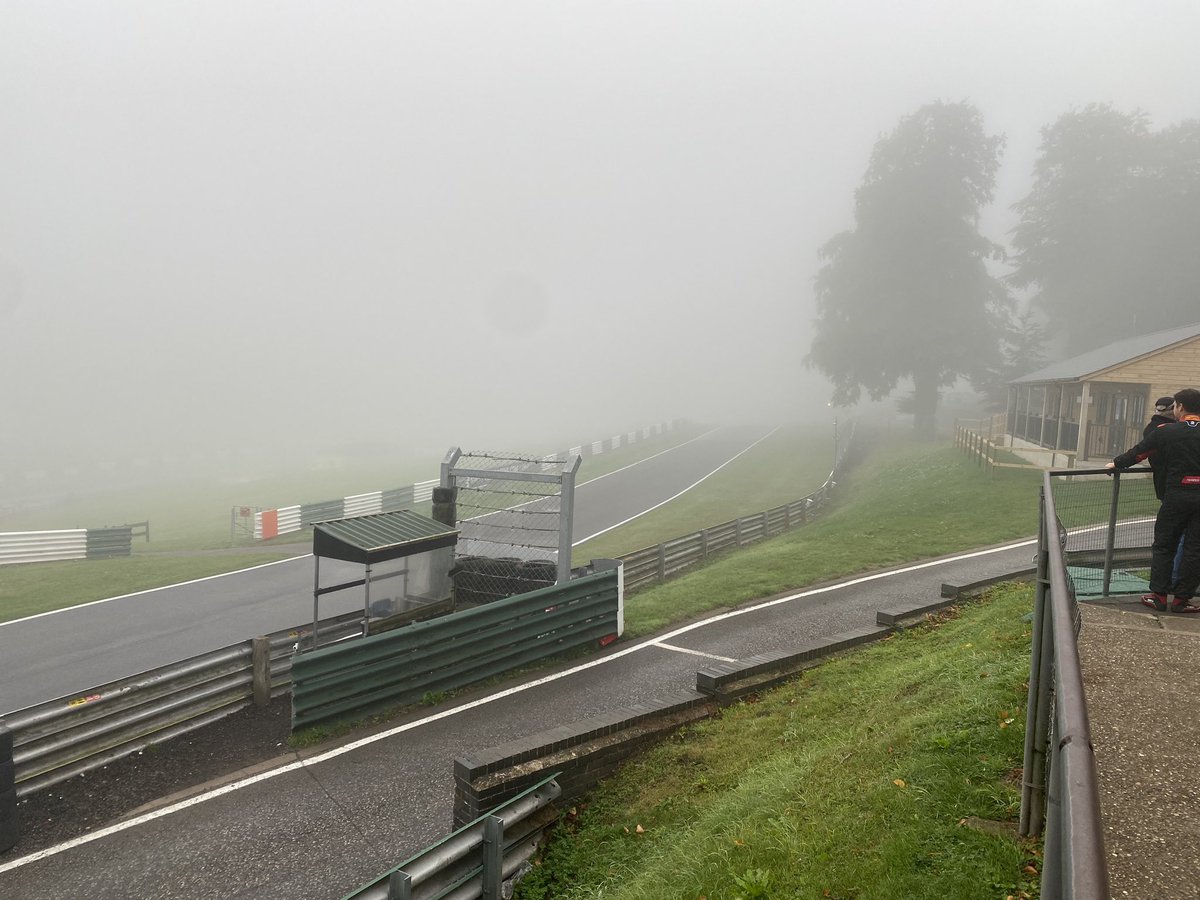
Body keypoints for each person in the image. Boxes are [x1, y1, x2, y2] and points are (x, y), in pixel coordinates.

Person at [1107, 388, 1200, 613]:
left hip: (1176, 495)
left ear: (1179, 407)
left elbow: (1138, 453)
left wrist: (1115, 464)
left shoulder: (1165, 431)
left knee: (1164, 545)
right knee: (1195, 549)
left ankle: (1158, 596)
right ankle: (1182, 600)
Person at [1142, 396, 1188, 583]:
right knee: (1183, 535)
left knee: (1173, 536)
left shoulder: (1152, 429)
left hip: (1166, 487)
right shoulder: (1169, 431)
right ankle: (1176, 578)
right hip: (1176, 488)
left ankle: (1171, 579)